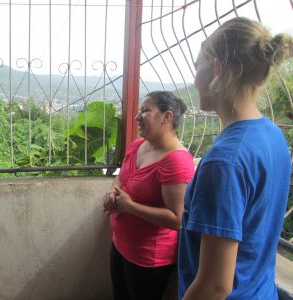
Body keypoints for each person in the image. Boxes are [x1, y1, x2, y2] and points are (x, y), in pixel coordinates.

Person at [178, 17, 293, 299]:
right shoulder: (272, 135)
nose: (194, 79)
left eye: (197, 66)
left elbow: (215, 285)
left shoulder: (224, 161)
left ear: (216, 67)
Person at [102, 91, 195, 300]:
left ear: (167, 117)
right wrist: (112, 192)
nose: (137, 117)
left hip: (148, 259)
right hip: (121, 244)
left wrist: (129, 207)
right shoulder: (138, 145)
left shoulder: (177, 162)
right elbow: (122, 179)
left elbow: (177, 219)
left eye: (145, 111)